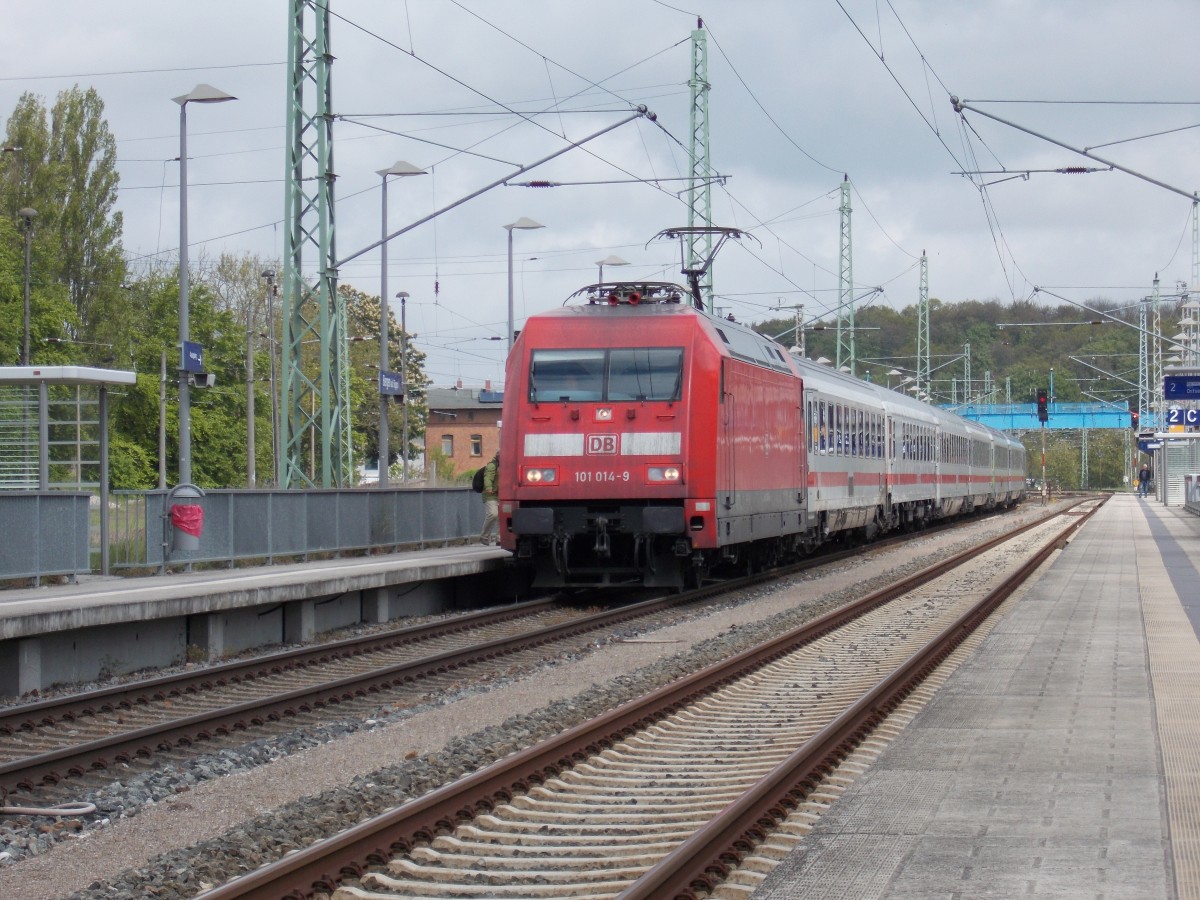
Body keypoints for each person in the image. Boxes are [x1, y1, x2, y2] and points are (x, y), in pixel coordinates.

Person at [479, 450, 500, 545]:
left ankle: (500, 538)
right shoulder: (492, 466)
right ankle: (484, 536)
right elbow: (487, 478)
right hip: (490, 494)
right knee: (493, 514)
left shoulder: (506, 465)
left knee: (503, 516)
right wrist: (489, 488)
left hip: (501, 494)